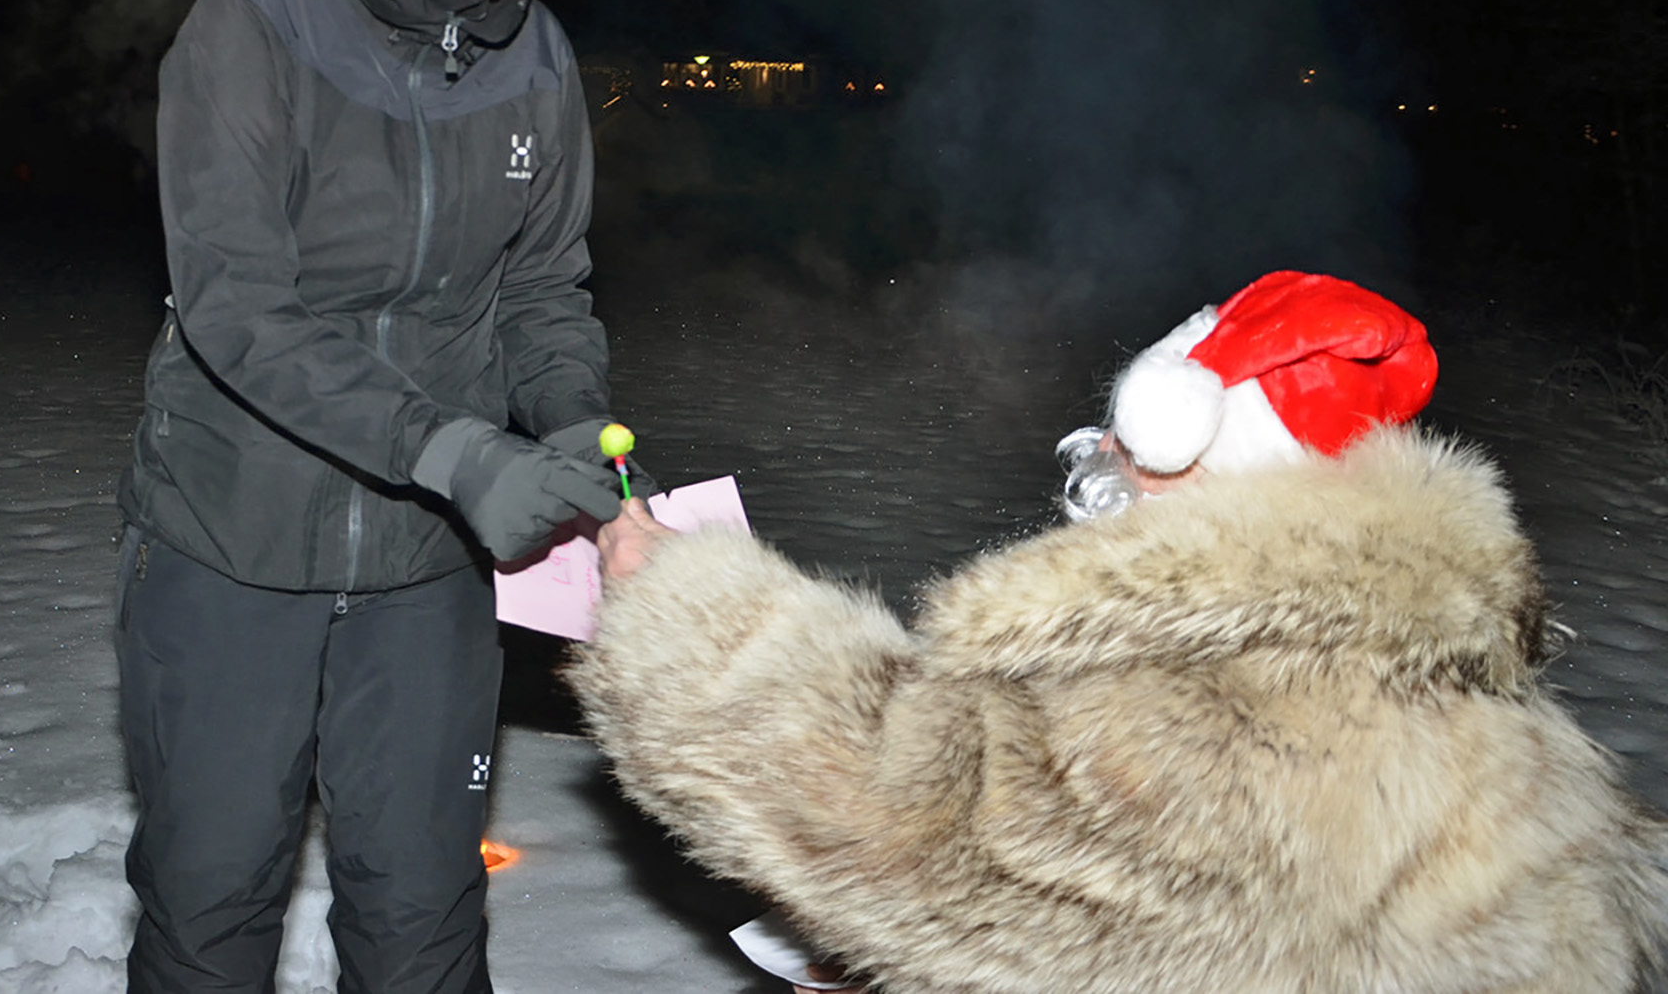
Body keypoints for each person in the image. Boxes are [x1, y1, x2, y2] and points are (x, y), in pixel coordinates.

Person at [572, 271, 1668, 994]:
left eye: (1122, 462)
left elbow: (899, 814)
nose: (1092, 477)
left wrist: (681, 604)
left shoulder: (1224, 712)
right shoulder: (1486, 714)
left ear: (1214, 485)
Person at [112, 0, 630, 991]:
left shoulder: (535, 58)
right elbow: (238, 308)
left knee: (423, 914)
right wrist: (456, 450)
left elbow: (543, 287)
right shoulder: (253, 33)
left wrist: (582, 448)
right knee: (212, 901)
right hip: (232, 550)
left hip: (429, 575)